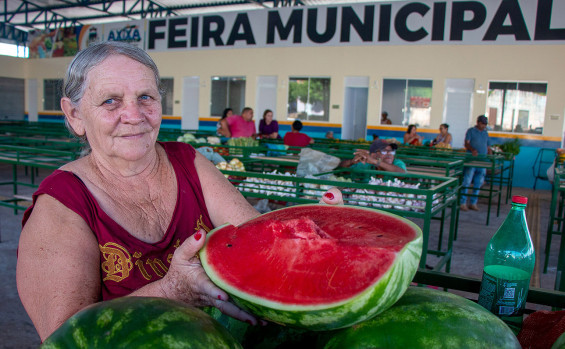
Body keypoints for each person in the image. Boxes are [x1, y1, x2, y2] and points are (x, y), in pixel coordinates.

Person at [15, 42, 344, 341]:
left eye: (146, 97)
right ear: (75, 115)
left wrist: (311, 236)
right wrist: (170, 290)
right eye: (110, 101)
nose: (134, 116)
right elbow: (65, 339)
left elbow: (258, 245)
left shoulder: (189, 162)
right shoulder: (61, 204)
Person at [460, 115, 492, 212]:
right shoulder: (471, 131)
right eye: (482, 123)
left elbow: (488, 146)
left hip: (482, 162)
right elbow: (466, 143)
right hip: (472, 161)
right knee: (467, 181)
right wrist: (472, 149)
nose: (484, 126)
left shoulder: (485, 133)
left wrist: (490, 154)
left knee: (479, 182)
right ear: (478, 122)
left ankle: (473, 203)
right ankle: (462, 202)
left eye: (485, 124)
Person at [339, 140, 406, 173]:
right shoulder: (366, 165)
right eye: (384, 151)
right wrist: (352, 162)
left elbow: (402, 173)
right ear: (373, 155)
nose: (389, 154)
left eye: (392, 151)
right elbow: (341, 169)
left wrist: (376, 162)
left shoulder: (397, 163)